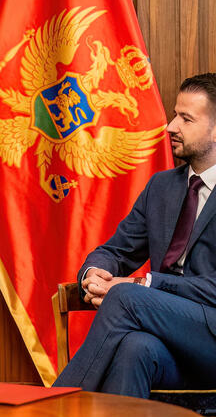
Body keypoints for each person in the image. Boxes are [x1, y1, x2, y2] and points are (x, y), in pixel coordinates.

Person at [54, 73, 216, 397]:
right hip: (166, 337)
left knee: (126, 297)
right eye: (175, 115)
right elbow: (116, 250)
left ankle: (57, 407)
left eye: (186, 119)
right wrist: (94, 274)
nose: (171, 126)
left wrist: (145, 284)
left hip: (210, 336)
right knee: (134, 347)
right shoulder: (161, 186)